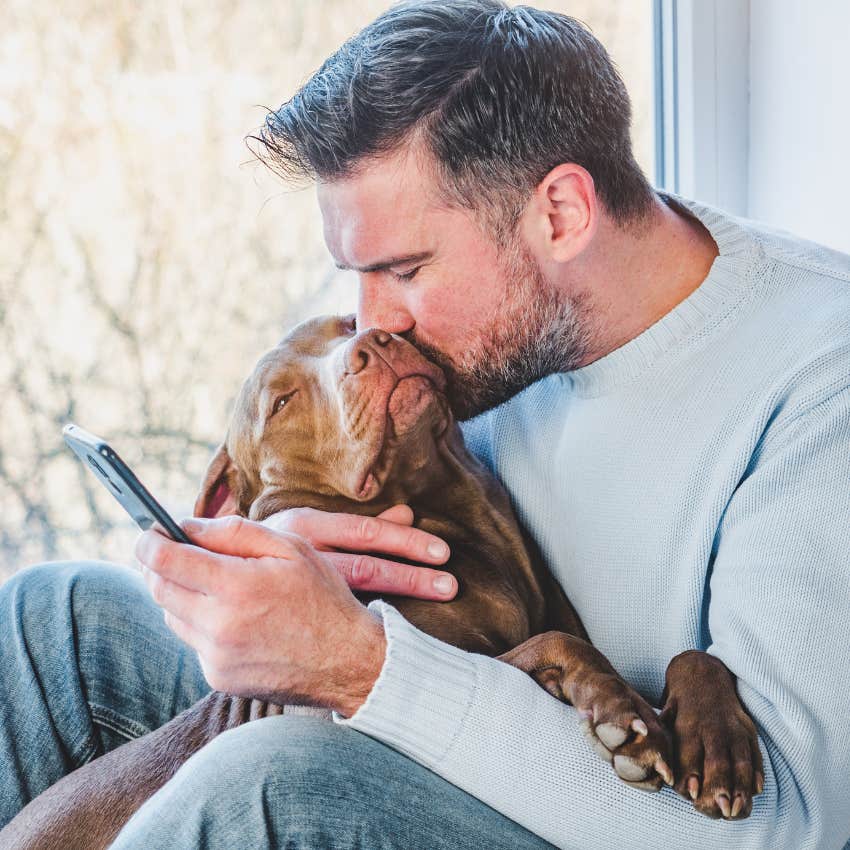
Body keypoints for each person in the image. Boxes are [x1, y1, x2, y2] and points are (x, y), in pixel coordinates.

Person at [2, 1, 849, 847]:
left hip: (607, 816)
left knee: (263, 782)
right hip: (468, 688)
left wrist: (359, 663)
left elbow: (787, 831)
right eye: (355, 277)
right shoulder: (492, 334)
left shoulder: (816, 387)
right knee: (56, 618)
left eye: (404, 270)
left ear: (561, 214)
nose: (376, 322)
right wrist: (303, 541)